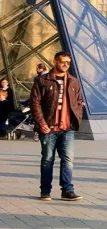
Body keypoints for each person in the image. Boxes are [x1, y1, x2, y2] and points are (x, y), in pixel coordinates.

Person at [30, 51, 84, 201]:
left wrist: (77, 116)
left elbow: (78, 101)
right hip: (49, 128)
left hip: (67, 129)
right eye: (63, 61)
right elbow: (35, 103)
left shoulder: (74, 81)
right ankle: (45, 191)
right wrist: (42, 124)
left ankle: (67, 190)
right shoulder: (42, 80)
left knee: (68, 159)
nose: (66, 64)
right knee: (47, 159)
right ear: (55, 61)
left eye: (68, 62)